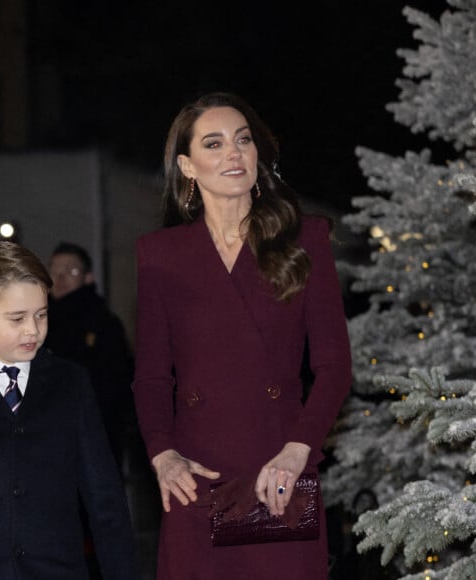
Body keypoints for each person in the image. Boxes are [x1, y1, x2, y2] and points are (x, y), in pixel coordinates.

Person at [132, 91, 352, 579]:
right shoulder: (160, 255)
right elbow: (150, 376)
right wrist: (162, 455)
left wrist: (299, 450)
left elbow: (334, 366)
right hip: (196, 476)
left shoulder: (304, 239)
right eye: (214, 144)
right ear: (188, 167)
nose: (233, 153)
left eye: (243, 140)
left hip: (277, 468)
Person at [0, 240, 137, 580]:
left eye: (41, 315)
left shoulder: (71, 384)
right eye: (17, 318)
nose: (33, 329)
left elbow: (105, 502)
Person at [45, 241, 135, 469]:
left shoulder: (104, 325)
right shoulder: (37, 323)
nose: (61, 278)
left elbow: (116, 384)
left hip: (93, 438)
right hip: (46, 439)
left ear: (88, 277)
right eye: (55, 271)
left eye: (71, 271)